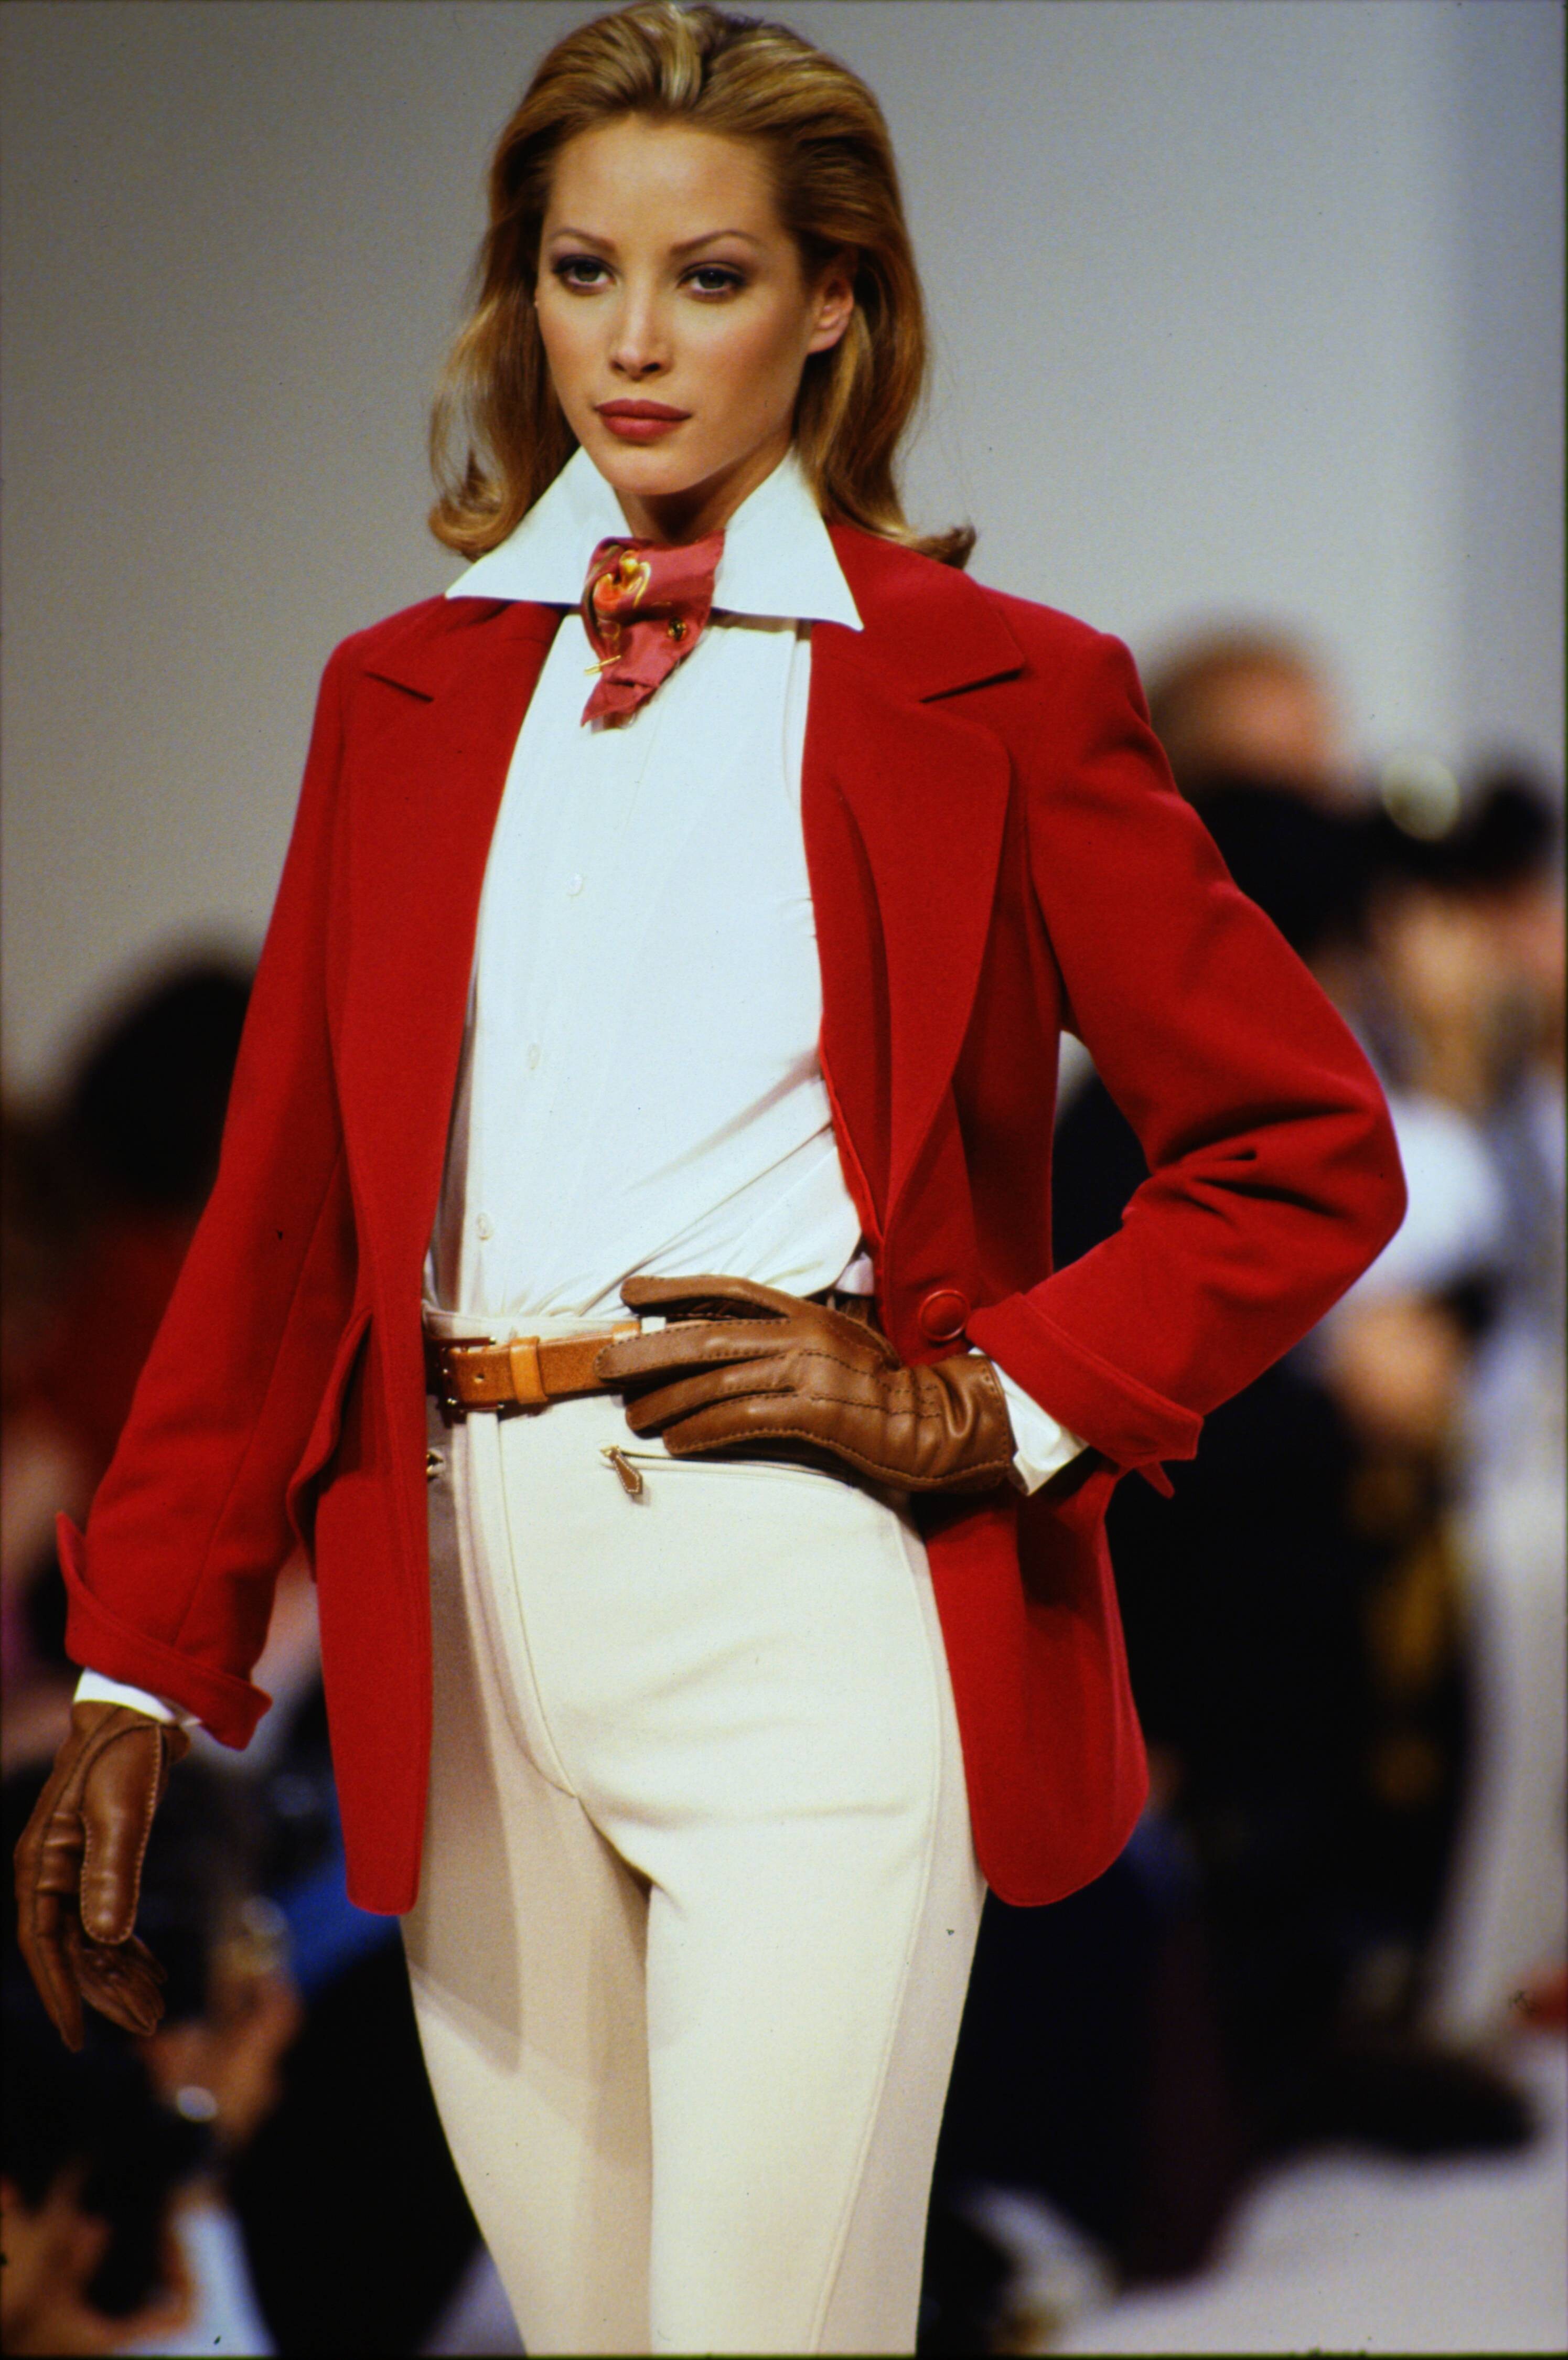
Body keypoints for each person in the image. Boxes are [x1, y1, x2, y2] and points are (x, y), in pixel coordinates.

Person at [13, 6, 1405, 2352]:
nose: (635, 343)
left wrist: (976, 1405)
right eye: (584, 273)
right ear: (523, 289)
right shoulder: (400, 697)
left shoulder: (994, 690)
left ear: (836, 300)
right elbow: (287, 1223)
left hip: (808, 1592)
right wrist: (139, 1663)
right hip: (460, 1605)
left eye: (713, 277)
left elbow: (1302, 1146)